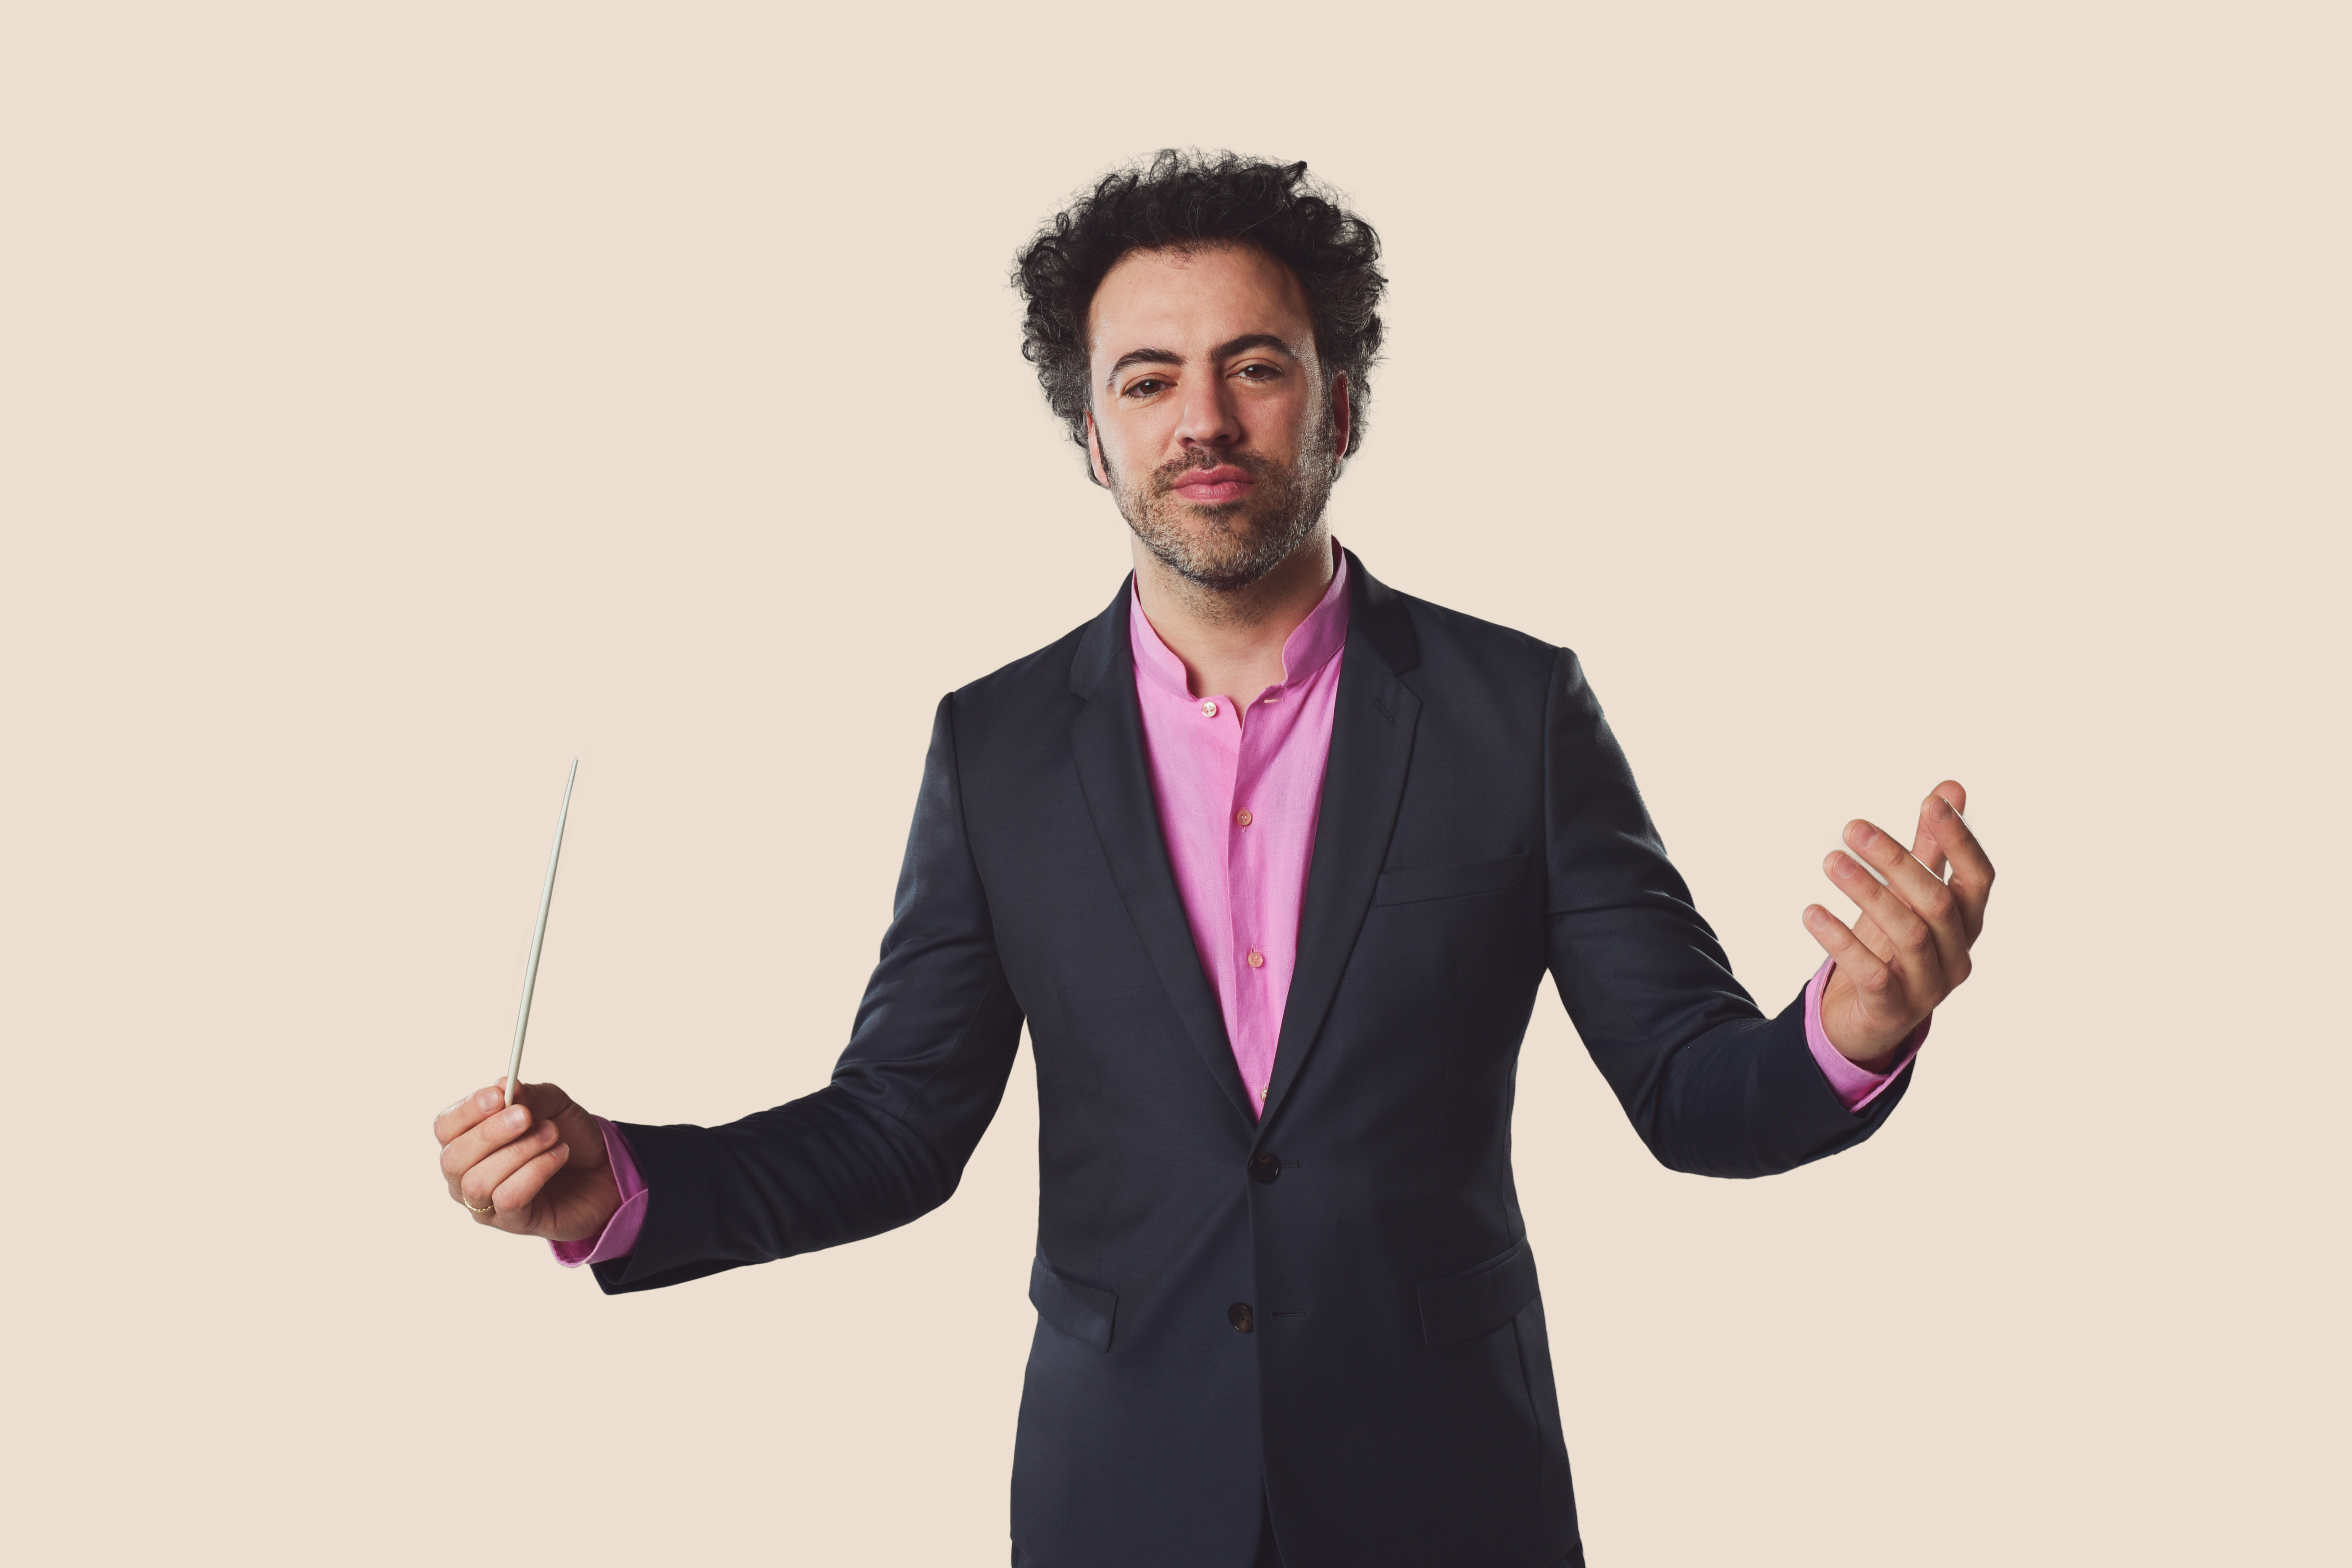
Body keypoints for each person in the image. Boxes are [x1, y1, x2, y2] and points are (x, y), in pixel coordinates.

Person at [433, 151, 1992, 1568]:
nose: (1204, 421)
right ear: (1092, 439)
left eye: (1256, 366)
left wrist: (1851, 1032)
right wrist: (621, 1182)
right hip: (1120, 1500)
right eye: (1149, 379)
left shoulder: (1514, 711)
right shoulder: (996, 746)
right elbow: (899, 1126)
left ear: (1341, 408)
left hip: (1448, 1495)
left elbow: (1689, 1086)